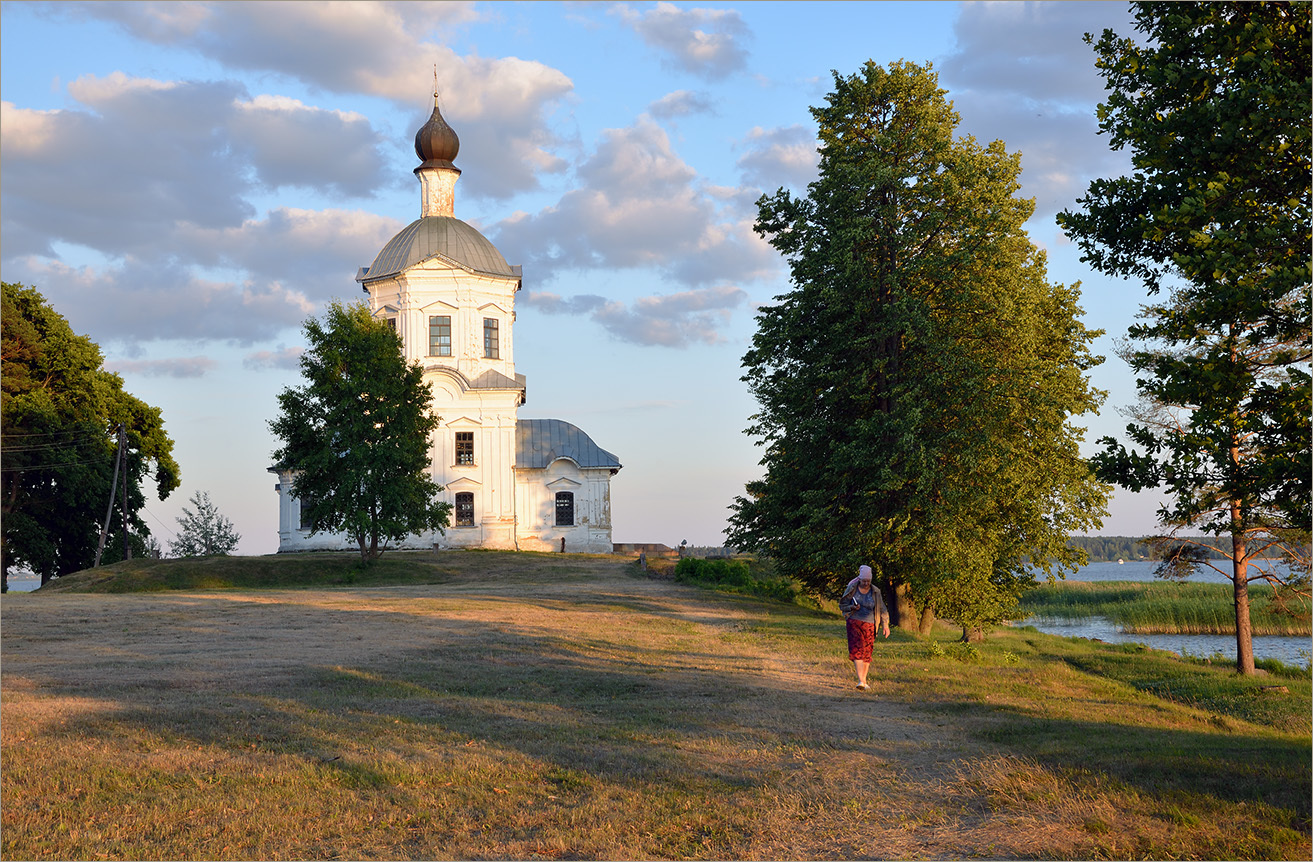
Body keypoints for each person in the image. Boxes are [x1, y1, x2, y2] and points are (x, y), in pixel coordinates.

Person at [839, 565, 890, 690]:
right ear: (860, 579)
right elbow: (842, 604)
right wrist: (852, 607)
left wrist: (885, 625)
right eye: (864, 581)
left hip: (870, 624)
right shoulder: (852, 588)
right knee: (857, 649)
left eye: (868, 581)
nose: (866, 583)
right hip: (854, 622)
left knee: (867, 652)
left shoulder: (875, 591)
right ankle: (860, 680)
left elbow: (882, 609)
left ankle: (864, 680)